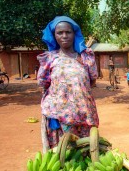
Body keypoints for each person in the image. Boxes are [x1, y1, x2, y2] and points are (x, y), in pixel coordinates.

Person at [37, 16, 99, 150]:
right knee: (63, 153)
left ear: (74, 34)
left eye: (68, 32)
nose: (64, 36)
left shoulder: (85, 57)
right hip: (59, 118)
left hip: (84, 114)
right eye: (60, 33)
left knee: (85, 151)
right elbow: (43, 83)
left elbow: (92, 80)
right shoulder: (50, 58)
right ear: (54, 36)